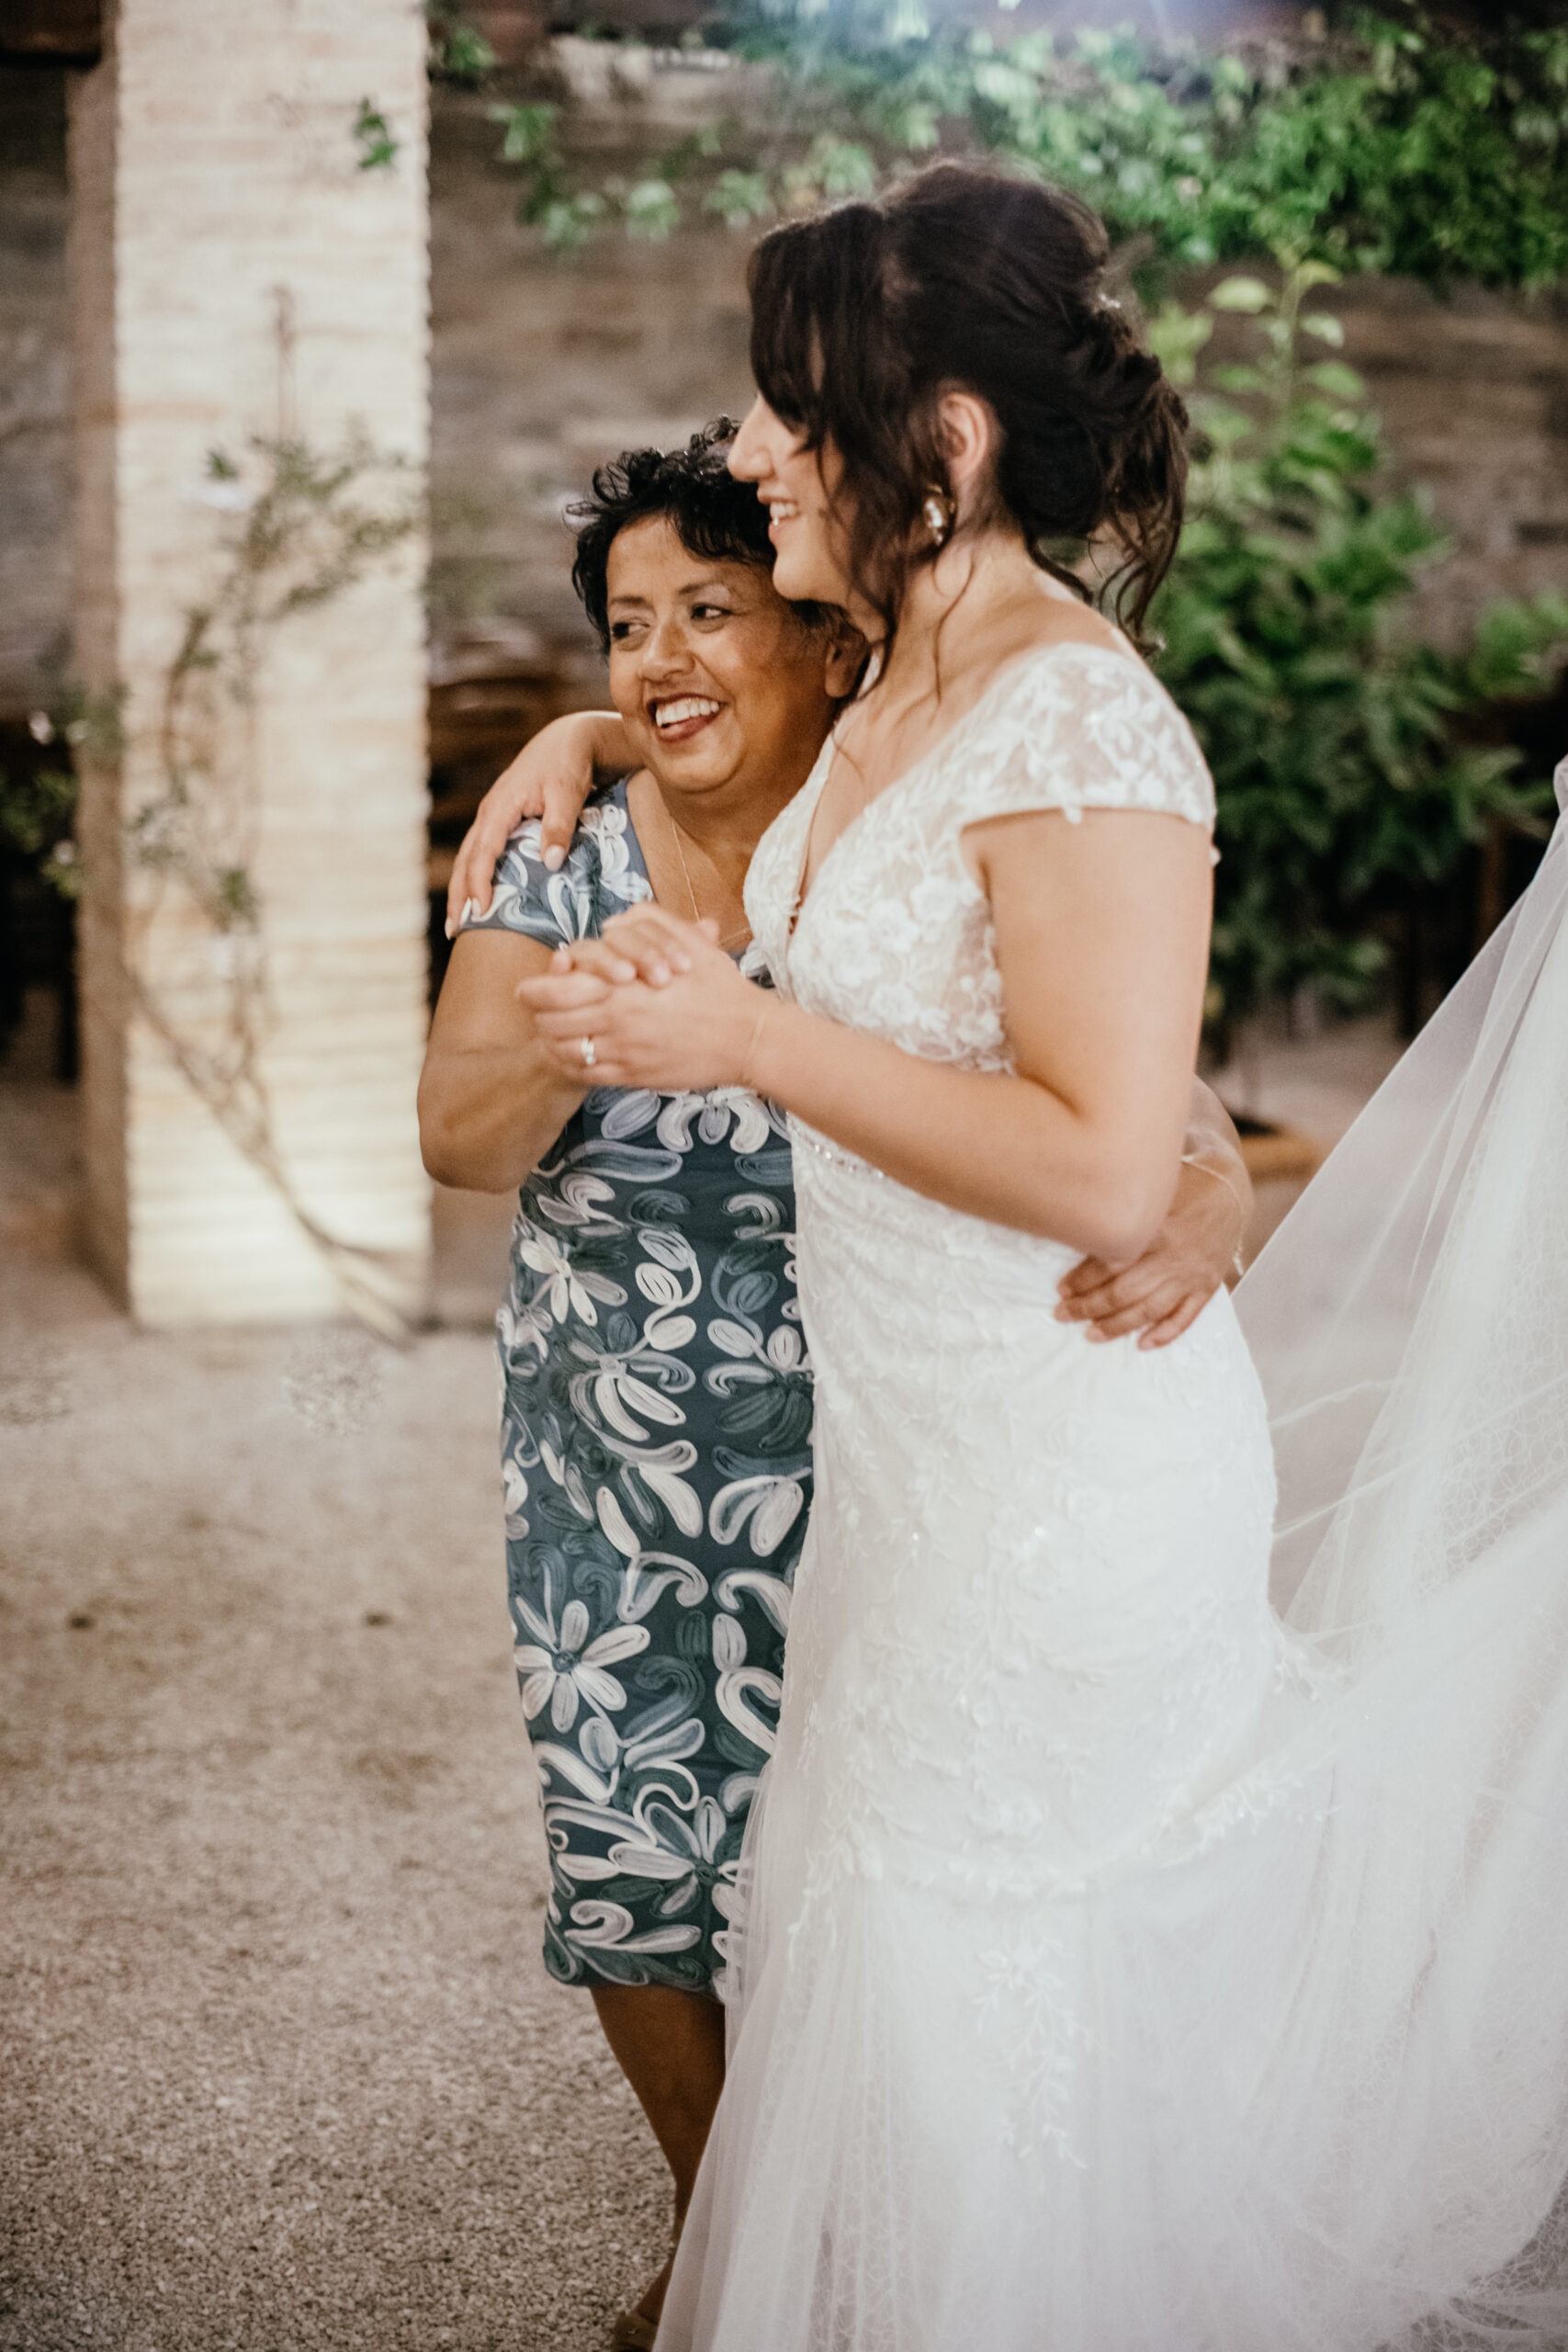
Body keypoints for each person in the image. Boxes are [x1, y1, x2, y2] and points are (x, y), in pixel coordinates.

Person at [516, 164, 1568, 2352]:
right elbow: (874, 924)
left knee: (1002, 1979)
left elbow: (1104, 1159)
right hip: (916, 1473)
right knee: (893, 1947)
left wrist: (744, 1038)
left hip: (1058, 1485)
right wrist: (598, 751)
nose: (747, 449)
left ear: (943, 442)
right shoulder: (893, 674)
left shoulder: (1077, 718)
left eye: (788, 407)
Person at [419, 423, 1251, 2349]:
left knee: (843, 1870)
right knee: (633, 1855)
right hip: (613, 1460)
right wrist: (587, 1021)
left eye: (708, 609)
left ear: (820, 636)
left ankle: (866, 2236)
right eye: (626, 628)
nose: (658, 659)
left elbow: (1124, 1079)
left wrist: (1208, 1197)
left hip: (876, 1446)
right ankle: (730, 2240)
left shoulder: (883, 814)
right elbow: (457, 1138)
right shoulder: (559, 848)